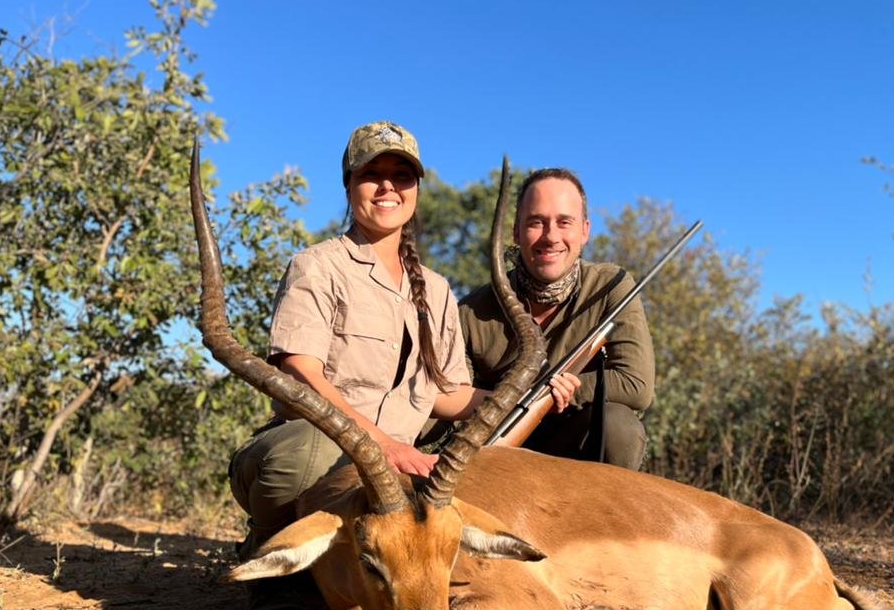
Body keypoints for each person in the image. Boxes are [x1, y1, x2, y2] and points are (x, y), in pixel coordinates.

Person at [228, 121, 484, 572]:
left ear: (416, 190)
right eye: (372, 174)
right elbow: (299, 372)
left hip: (397, 467)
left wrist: (529, 397)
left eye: (402, 176)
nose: (388, 186)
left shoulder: (438, 290)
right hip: (325, 449)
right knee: (305, 454)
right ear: (349, 186)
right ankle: (268, 555)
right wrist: (383, 445)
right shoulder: (318, 266)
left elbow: (449, 396)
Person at [458, 167, 655, 470]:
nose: (551, 237)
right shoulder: (470, 310)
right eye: (536, 222)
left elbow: (636, 386)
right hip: (497, 457)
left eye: (565, 222)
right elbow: (450, 396)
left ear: (585, 230)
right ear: (516, 231)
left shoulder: (613, 286)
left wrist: (560, 393)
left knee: (618, 428)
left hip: (572, 447)